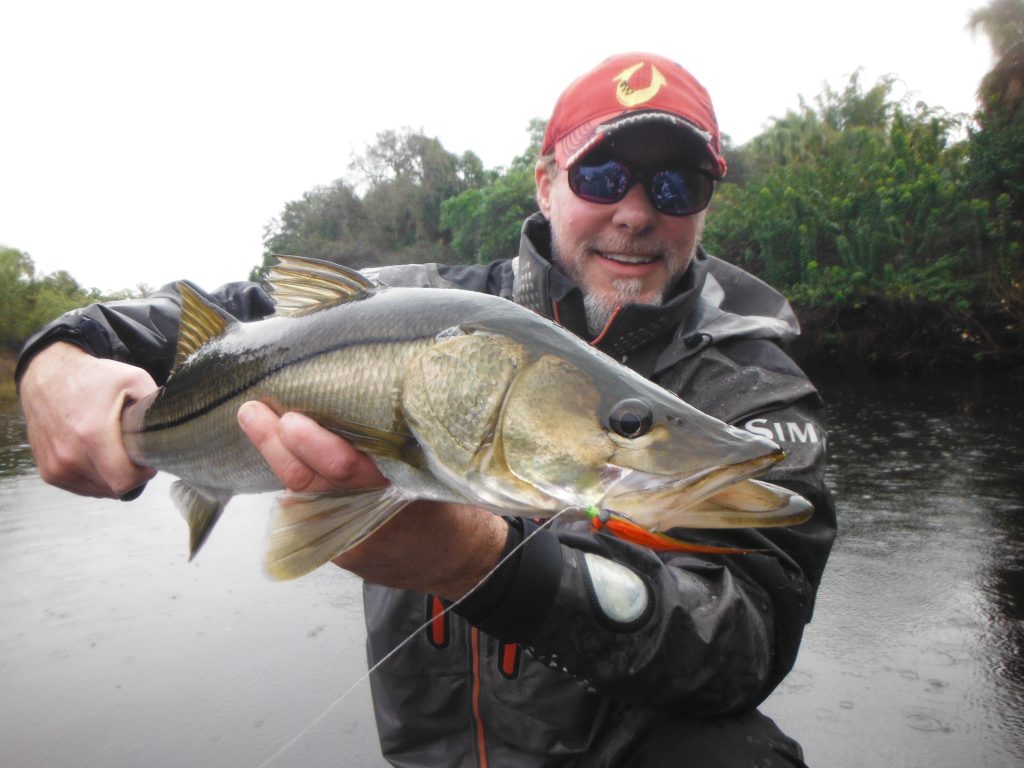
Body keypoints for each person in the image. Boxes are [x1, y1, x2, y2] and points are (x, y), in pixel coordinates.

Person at [17, 53, 835, 767]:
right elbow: (211, 314)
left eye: (675, 184)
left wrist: (480, 562)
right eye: (599, 176)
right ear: (547, 182)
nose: (634, 211)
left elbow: (745, 642)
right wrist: (59, 351)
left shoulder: (754, 384)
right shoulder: (422, 302)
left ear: (705, 205)